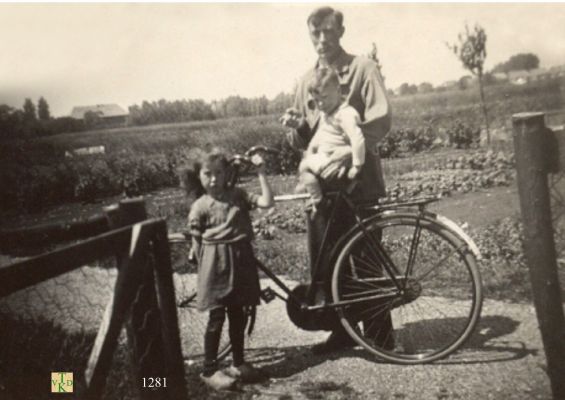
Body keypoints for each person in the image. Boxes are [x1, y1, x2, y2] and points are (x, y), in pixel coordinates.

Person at [281, 6, 393, 354]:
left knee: (367, 257)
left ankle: (381, 335)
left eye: (329, 32)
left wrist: (351, 153)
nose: (322, 39)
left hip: (360, 183)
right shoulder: (306, 81)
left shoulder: (363, 69)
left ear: (340, 32)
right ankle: (344, 330)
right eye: (316, 33)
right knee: (329, 260)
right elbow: (302, 139)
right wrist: (297, 128)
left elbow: (381, 118)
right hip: (325, 191)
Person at [187, 150, 274, 390]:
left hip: (241, 260)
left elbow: (267, 203)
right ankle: (209, 369)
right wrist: (197, 256)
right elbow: (196, 240)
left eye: (219, 173)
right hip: (215, 264)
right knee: (217, 316)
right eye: (208, 174)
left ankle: (238, 363)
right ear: (199, 177)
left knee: (238, 314)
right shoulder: (200, 206)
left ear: (227, 174)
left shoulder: (239, 195)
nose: (214, 180)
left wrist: (261, 172)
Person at [297, 67, 365, 210]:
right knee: (308, 163)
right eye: (316, 100)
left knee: (304, 167)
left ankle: (318, 200)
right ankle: (343, 186)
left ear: (339, 91)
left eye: (325, 97)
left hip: (333, 161)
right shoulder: (328, 114)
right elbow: (320, 135)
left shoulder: (344, 114)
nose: (321, 104)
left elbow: (357, 138)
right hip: (329, 159)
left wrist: (357, 165)